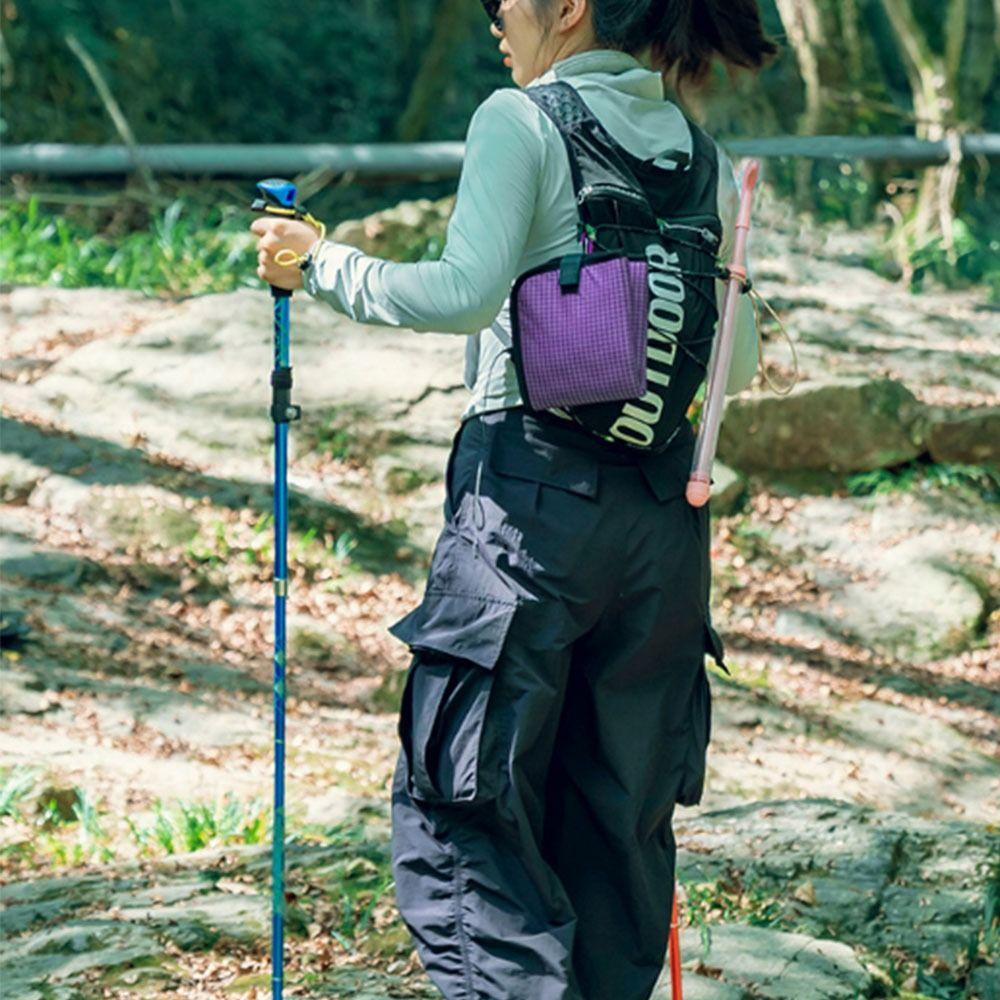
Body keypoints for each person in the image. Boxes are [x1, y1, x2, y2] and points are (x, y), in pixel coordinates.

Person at [251, 1, 777, 996]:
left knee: (469, 809)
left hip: (529, 513)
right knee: (616, 823)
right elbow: (734, 359)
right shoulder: (699, 155)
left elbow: (460, 293)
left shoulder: (520, 117)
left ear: (569, 6)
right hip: (662, 534)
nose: (497, 16)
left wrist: (318, 262)